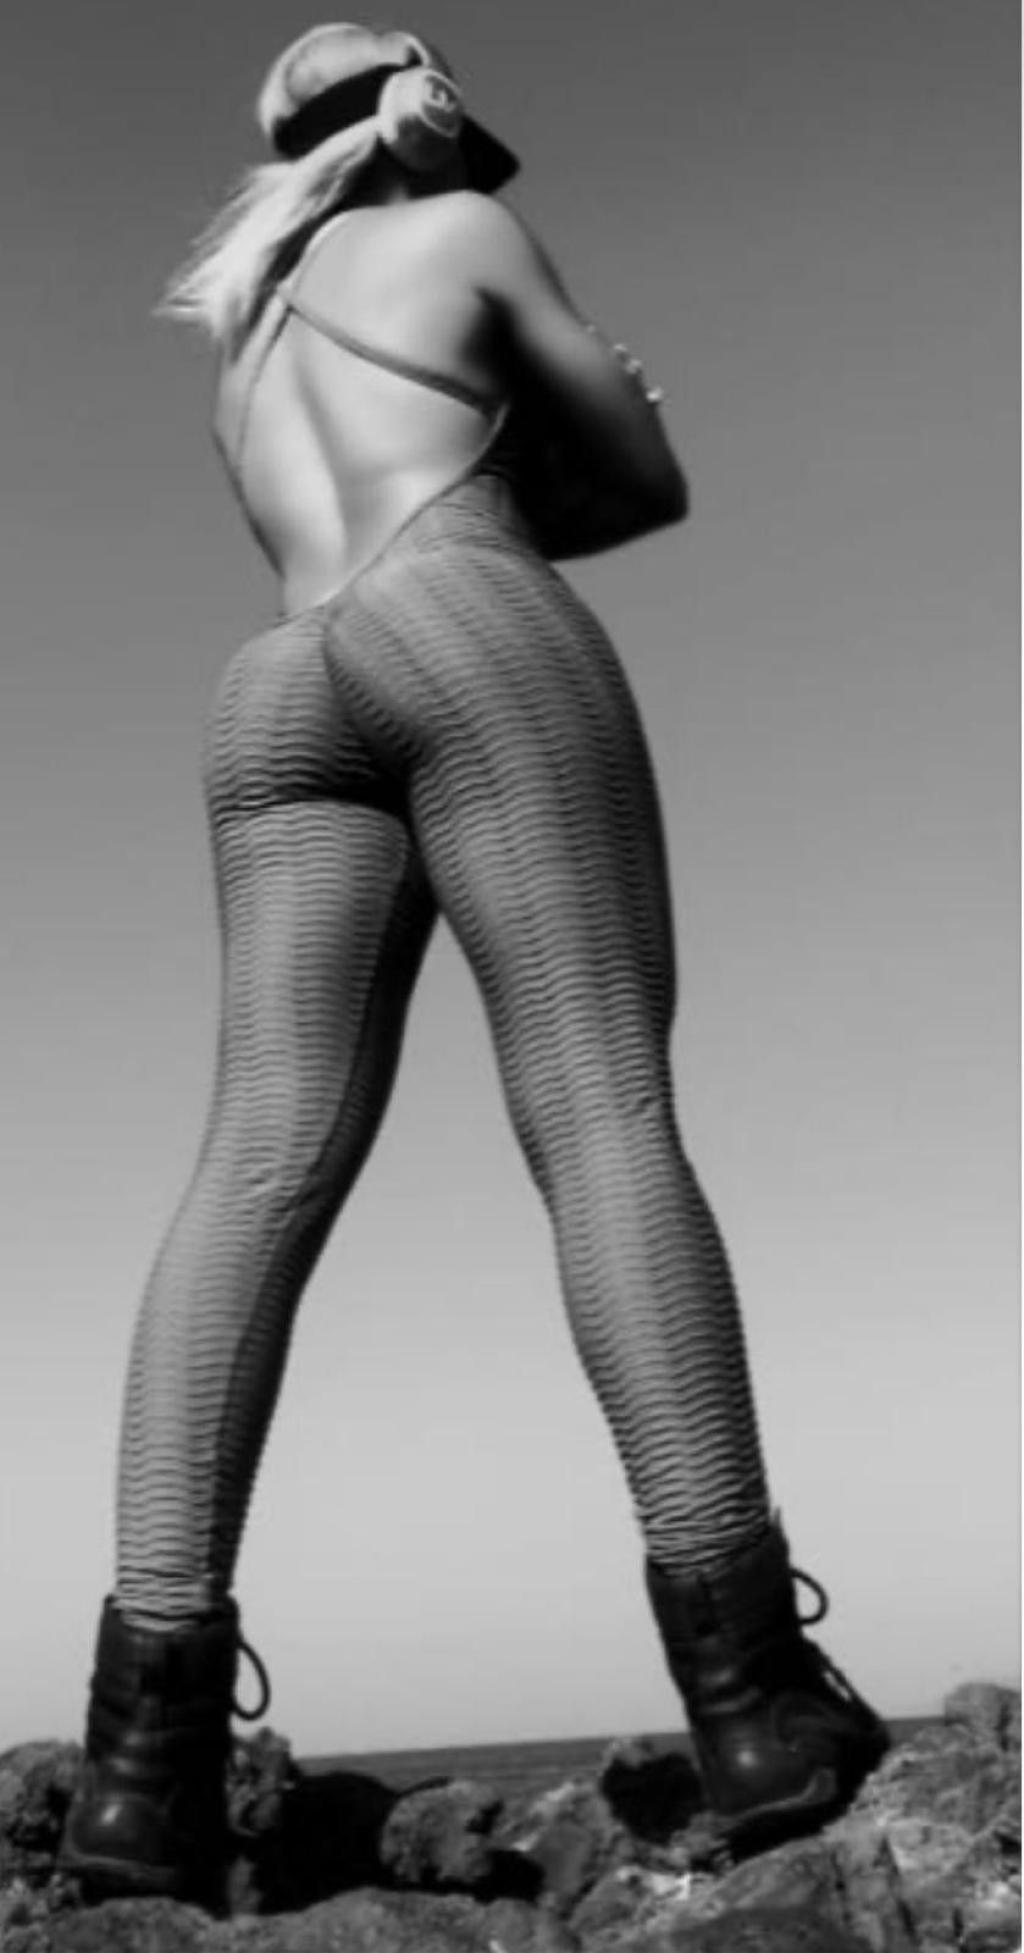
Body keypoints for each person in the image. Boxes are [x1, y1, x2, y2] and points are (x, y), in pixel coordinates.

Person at [60, 22, 889, 1906]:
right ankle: (756, 1701)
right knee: (599, 1113)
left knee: (251, 1170)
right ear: (419, 105)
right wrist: (586, 408)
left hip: (278, 685)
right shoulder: (465, 235)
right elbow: (643, 484)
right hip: (469, 622)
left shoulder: (244, 336)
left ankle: (137, 1783)